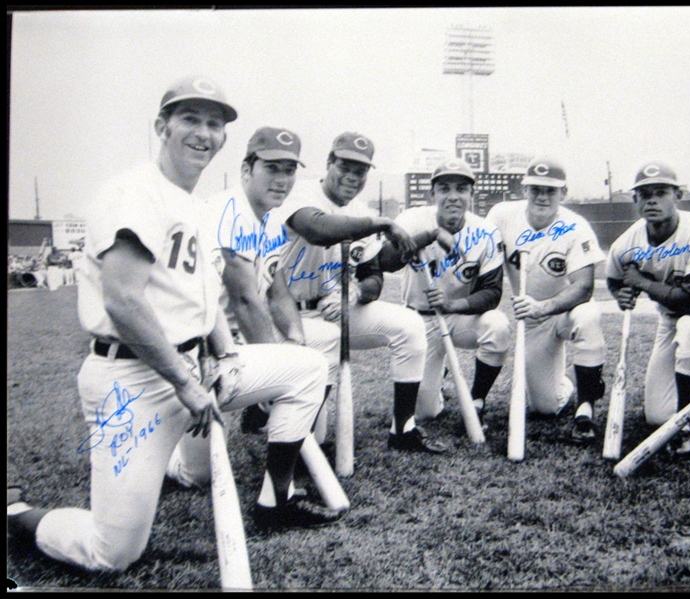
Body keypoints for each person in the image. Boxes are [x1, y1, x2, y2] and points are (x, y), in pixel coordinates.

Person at [7, 76, 338, 574]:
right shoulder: (134, 193)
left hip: (195, 369)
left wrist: (225, 355)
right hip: (131, 380)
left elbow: (204, 303)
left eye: (214, 123)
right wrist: (185, 382)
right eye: (190, 119)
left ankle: (272, 498)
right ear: (162, 126)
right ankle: (15, 513)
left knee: (307, 367)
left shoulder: (195, 206)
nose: (203, 133)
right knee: (112, 552)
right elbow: (122, 300)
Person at [165, 125, 343, 501]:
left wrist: (294, 338)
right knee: (197, 476)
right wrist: (280, 359)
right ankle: (160, 450)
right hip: (198, 355)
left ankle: (283, 470)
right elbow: (245, 298)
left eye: (289, 170)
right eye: (272, 168)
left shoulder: (272, 218)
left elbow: (276, 289)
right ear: (247, 169)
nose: (282, 179)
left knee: (316, 347)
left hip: (230, 351)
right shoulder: (228, 209)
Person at [268, 131, 448, 454]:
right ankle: (276, 415)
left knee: (408, 326)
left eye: (360, 170)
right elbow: (318, 230)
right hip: (286, 315)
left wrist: (352, 294)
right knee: (315, 439)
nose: (352, 176)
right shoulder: (301, 193)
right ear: (328, 163)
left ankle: (403, 429)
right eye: (345, 166)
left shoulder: (360, 209)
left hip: (333, 309)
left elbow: (374, 275)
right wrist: (380, 223)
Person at [378, 158, 510, 430]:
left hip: (459, 317)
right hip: (419, 319)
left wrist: (453, 303)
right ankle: (436, 379)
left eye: (461, 189)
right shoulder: (411, 219)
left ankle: (477, 401)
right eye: (445, 189)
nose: (453, 197)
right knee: (425, 413)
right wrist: (428, 236)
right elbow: (385, 262)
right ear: (433, 194)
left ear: (471, 194)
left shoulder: (485, 231)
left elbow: (493, 293)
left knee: (497, 326)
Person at [485, 157, 607, 445]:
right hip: (532, 321)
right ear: (524, 189)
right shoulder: (501, 215)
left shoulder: (576, 226)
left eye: (551, 191)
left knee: (588, 315)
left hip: (564, 312)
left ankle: (586, 407)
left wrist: (544, 307)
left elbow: (584, 287)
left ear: (563, 194)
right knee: (545, 408)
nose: (542, 196)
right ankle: (576, 379)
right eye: (536, 189)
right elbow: (479, 250)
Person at [606, 162, 690, 456]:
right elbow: (614, 278)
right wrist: (622, 295)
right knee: (656, 415)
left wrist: (641, 282)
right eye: (644, 194)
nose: (651, 200)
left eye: (661, 192)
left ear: (677, 195)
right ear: (635, 201)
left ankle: (686, 424)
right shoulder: (626, 243)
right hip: (670, 319)